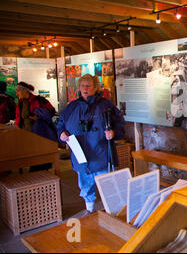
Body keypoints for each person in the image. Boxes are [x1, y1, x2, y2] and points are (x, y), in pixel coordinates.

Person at [57, 74, 125, 213]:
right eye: (82, 85)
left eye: (88, 85)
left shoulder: (105, 105)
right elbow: (60, 124)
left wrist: (114, 133)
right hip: (81, 156)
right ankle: (90, 211)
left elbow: (120, 123)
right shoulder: (72, 107)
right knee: (85, 186)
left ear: (95, 88)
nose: (85, 88)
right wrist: (61, 134)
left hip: (101, 154)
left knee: (108, 185)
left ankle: (112, 213)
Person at [15, 81, 58, 172]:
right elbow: (19, 119)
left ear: (24, 91)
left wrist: (38, 117)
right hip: (27, 134)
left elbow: (52, 112)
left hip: (40, 132)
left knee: (41, 155)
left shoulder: (40, 100)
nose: (17, 93)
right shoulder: (20, 104)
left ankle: (41, 172)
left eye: (18, 91)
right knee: (32, 156)